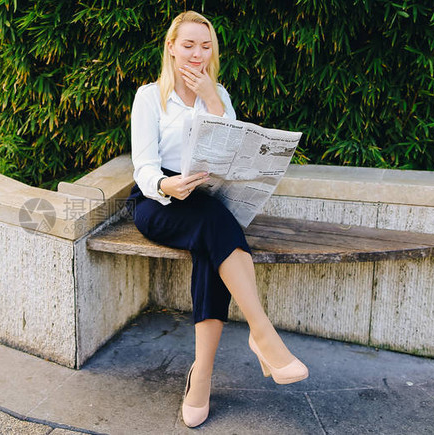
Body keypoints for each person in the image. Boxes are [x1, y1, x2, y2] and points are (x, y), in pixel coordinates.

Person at [125, 11, 309, 428]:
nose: (197, 54)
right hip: (160, 201)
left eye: (205, 46)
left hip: (206, 199)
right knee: (216, 226)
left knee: (212, 234)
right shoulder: (148, 96)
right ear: (171, 47)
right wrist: (167, 186)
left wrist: (211, 100)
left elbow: (231, 152)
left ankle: (201, 377)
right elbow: (143, 166)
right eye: (188, 44)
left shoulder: (219, 93)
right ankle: (263, 334)